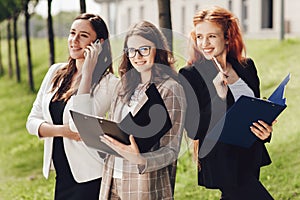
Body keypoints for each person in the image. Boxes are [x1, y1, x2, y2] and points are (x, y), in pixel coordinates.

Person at [73, 20, 186, 199]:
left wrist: (141, 159)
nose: (137, 56)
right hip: (112, 179)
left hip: (143, 185)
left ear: (157, 49)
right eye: (131, 50)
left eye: (144, 49)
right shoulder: (124, 85)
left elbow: (171, 150)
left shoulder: (170, 89)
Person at [179, 6, 276, 200]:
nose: (204, 43)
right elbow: (193, 129)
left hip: (250, 155)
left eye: (211, 36)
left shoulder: (246, 67)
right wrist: (219, 97)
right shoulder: (190, 75)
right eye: (199, 37)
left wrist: (265, 132)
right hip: (222, 160)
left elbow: (253, 110)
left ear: (227, 37)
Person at [26, 13, 118, 200]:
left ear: (98, 43)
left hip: (90, 175)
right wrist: (63, 131)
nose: (74, 40)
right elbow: (31, 122)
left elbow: (79, 126)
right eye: (72, 33)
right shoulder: (55, 72)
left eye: (83, 35)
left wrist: (87, 73)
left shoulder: (109, 84)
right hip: (62, 173)